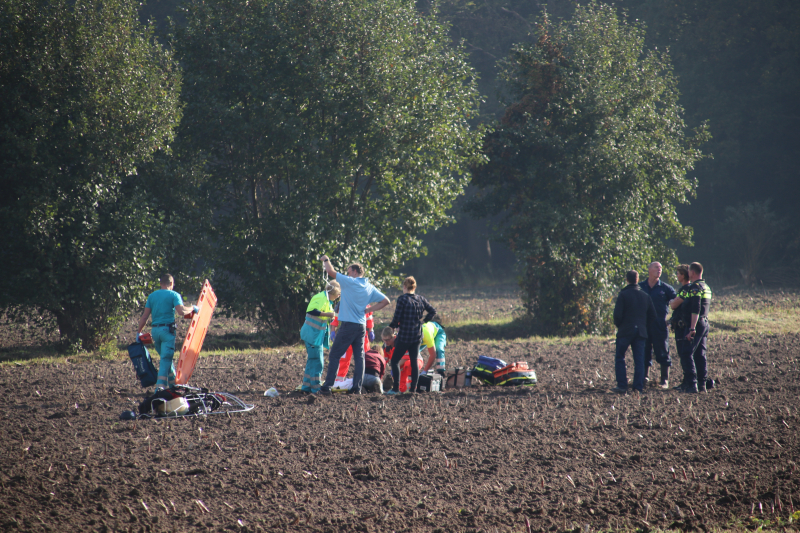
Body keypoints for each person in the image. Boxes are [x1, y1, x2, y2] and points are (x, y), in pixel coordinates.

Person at [318, 256, 390, 395]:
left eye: (349, 271)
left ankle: (326, 388)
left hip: (348, 326)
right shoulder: (369, 287)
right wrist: (369, 310)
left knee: (334, 355)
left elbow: (330, 271)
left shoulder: (349, 282)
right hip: (361, 327)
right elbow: (385, 301)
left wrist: (326, 259)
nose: (347, 273)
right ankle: (356, 389)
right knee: (359, 358)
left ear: (355, 272)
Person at [136, 274, 197, 391]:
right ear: (171, 284)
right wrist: (193, 308)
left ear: (160, 283)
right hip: (167, 331)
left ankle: (174, 385)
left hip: (155, 332)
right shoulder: (174, 295)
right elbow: (181, 311)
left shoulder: (152, 296)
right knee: (165, 359)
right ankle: (159, 388)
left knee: (165, 359)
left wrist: (139, 332)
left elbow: (144, 317)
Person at [385, 276, 436, 395]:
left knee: (395, 361)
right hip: (417, 335)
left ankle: (395, 388)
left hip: (404, 336)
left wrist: (391, 327)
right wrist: (424, 321)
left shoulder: (402, 299)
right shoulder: (421, 299)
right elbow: (433, 311)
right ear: (415, 287)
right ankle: (413, 389)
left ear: (404, 287)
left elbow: (397, 317)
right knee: (414, 361)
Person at [669, 262, 712, 393]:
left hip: (696, 324)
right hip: (705, 323)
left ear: (691, 273)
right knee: (700, 354)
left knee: (687, 353)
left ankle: (691, 384)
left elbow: (696, 308)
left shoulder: (695, 287)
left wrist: (692, 328)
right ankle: (702, 384)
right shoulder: (707, 287)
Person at [612, 270, 657, 394]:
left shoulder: (623, 295)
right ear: (637, 280)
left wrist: (620, 326)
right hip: (641, 332)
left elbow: (617, 315)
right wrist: (643, 325)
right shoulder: (645, 296)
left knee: (620, 357)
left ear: (627, 279)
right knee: (639, 360)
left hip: (625, 331)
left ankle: (622, 385)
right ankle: (638, 387)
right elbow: (653, 315)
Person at [638, 262, 677, 389]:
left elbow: (678, 304)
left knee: (662, 351)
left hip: (659, 324)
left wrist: (671, 320)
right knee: (644, 350)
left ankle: (664, 380)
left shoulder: (666, 288)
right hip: (643, 324)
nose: (659, 270)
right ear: (649, 269)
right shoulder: (640, 287)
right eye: (656, 267)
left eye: (661, 268)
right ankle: (644, 377)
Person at [298, 280, 341, 394]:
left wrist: (329, 318)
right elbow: (312, 310)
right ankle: (316, 388)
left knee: (312, 361)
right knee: (318, 362)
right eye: (338, 293)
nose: (339, 296)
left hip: (315, 336)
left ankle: (306, 387)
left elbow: (323, 314)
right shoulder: (321, 297)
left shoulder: (327, 300)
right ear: (334, 291)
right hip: (312, 335)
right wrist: (328, 315)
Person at [331, 310, 374, 385]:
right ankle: (338, 381)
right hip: (348, 333)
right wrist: (333, 330)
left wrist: (371, 330)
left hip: (360, 335)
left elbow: (369, 318)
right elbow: (336, 317)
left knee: (366, 358)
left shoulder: (365, 304)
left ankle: (364, 381)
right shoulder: (345, 302)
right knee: (344, 359)